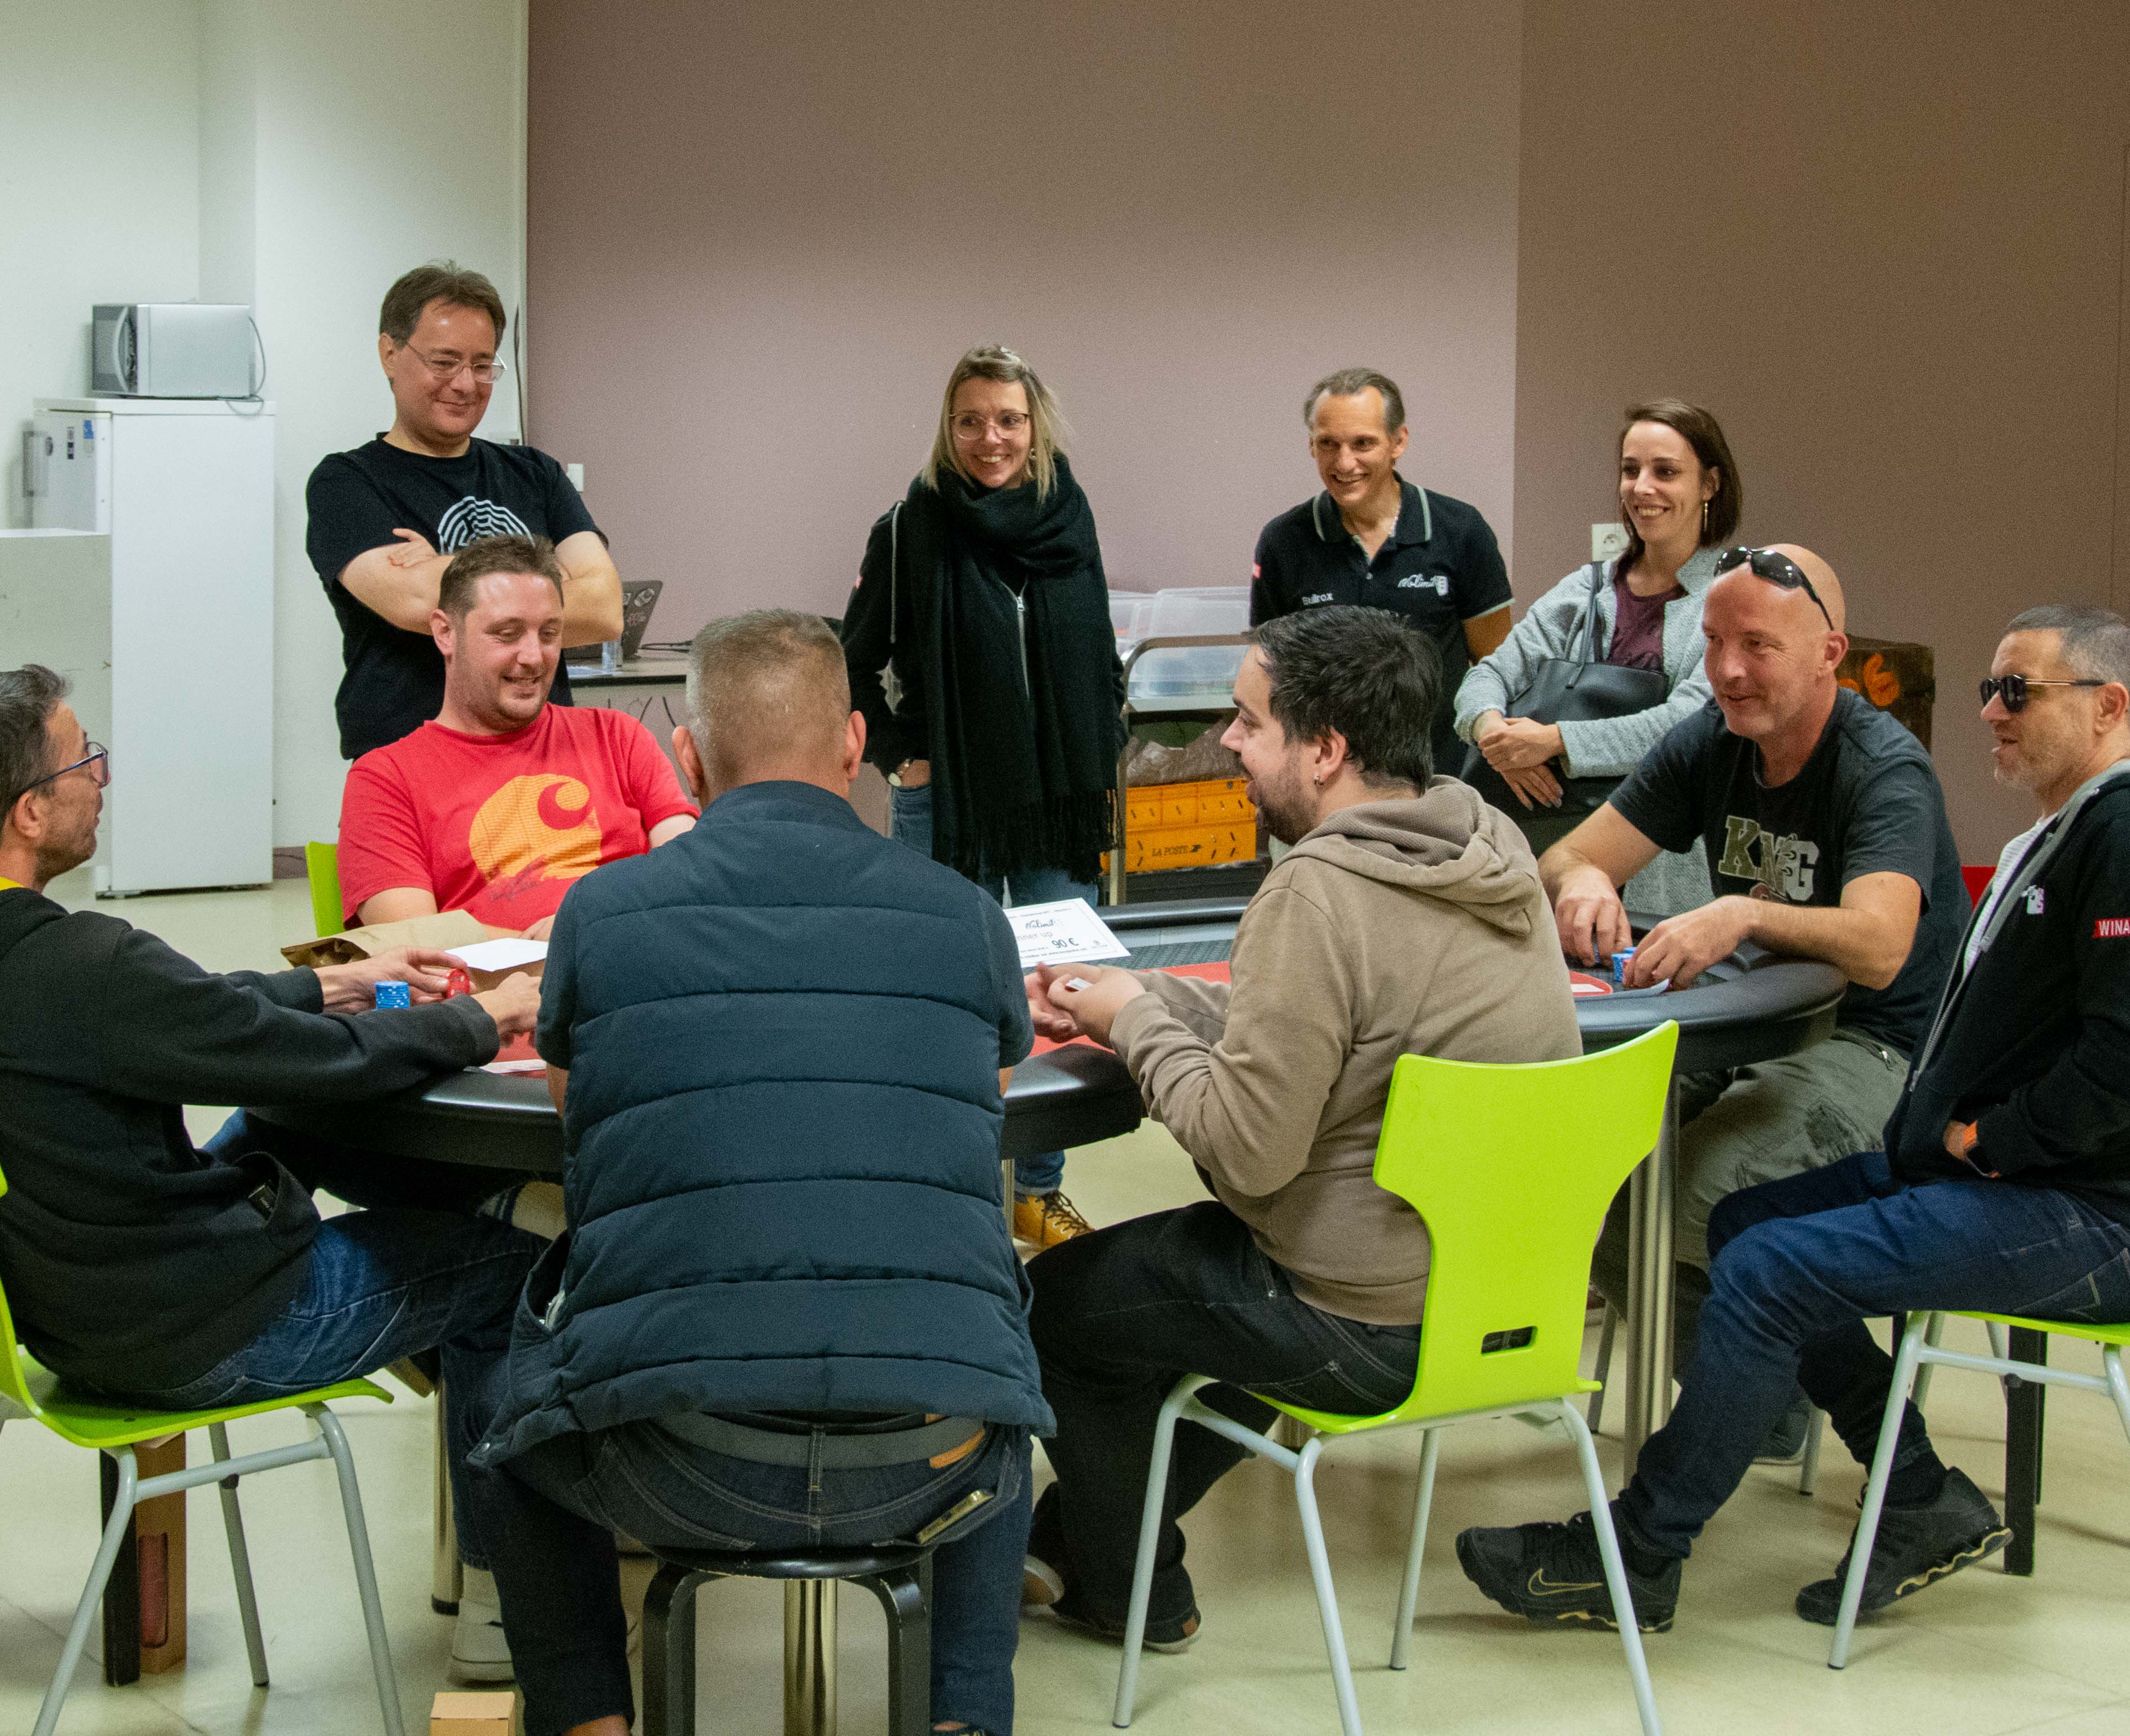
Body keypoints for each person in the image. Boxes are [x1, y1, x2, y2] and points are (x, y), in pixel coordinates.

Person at [1458, 605, 2130, 1632]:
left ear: (2108, 707)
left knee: (1771, 1269)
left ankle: (1636, 1557)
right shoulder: (2081, 826)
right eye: (1991, 689)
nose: (1990, 711)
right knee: (1744, 1224)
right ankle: (1917, 1497)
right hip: (2023, 1177)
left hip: (2098, 1214)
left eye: (2019, 692)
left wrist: (1994, 1141)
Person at [0, 666, 549, 1685]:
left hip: (60, 1302)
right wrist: (483, 1017)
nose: (103, 777)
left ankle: (453, 1259)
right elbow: (309, 1065)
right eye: (84, 760)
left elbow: (187, 1012)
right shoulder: (82, 965)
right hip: (191, 1332)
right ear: (30, 811)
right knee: (514, 1269)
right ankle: (501, 1604)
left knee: (270, 1131)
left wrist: (332, 982)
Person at [470, 610, 1050, 1736]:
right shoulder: (966, 916)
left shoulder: (603, 913)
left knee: (508, 1424)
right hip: (930, 1463)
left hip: (675, 1461)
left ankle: (591, 1719)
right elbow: (983, 1084)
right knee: (994, 1395)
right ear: (854, 743)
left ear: (688, 759)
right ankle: (964, 1718)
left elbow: (577, 1100)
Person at [1015, 606, 1579, 1652]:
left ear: (1325, 750)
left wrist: (1133, 1023)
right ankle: (1076, 1540)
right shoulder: (1487, 842)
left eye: (1248, 720)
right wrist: (1145, 998)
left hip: (1361, 1321)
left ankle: (1136, 1589)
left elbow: (1246, 1152)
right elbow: (1327, 1036)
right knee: (1194, 1289)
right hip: (1499, 1299)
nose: (1226, 741)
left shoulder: (1315, 894)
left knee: (1056, 1309)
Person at [1537, 541, 1968, 1448]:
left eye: (1758, 647)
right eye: (1714, 643)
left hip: (1877, 1048)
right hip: (1751, 1035)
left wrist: (1742, 914)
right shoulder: (1714, 738)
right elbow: (1569, 855)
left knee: (1686, 1202)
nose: (1727, 671)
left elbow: (1882, 946)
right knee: (1587, 1185)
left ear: (1828, 655)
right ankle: (1760, 1402)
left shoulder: (1881, 767)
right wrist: (1584, 882)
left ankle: (1790, 1394)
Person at [843, 344, 1123, 1249]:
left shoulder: (1070, 516)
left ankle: (1037, 1189)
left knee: (1063, 993)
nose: (990, 438)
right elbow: (853, 663)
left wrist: (1105, 736)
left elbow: (1096, 644)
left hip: (1053, 805)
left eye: (1008, 420)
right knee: (942, 996)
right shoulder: (909, 527)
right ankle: (942, 1189)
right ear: (948, 428)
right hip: (946, 807)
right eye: (970, 422)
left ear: (1035, 426)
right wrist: (899, 759)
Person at [307, 261, 625, 759]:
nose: (466, 384)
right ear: (390, 353)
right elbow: (414, 603)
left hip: (541, 758)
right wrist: (547, 574)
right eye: (444, 362)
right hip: (413, 763)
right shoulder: (347, 482)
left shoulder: (536, 473)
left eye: (482, 365)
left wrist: (441, 566)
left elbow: (605, 610)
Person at [1458, 398, 1739, 919]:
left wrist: (1555, 741)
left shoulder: (1731, 599)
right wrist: (1494, 736)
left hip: (1662, 868)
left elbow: (1690, 723)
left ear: (1710, 484)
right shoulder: (1585, 589)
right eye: (1631, 471)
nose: (1642, 488)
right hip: (1547, 857)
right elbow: (1489, 674)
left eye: (1666, 472)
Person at [337, 532, 695, 939]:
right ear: (445, 633)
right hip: (502, 980)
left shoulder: (618, 736)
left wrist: (587, 932)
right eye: (507, 634)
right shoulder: (384, 780)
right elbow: (413, 940)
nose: (533, 657)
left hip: (641, 965)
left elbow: (687, 871)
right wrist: (567, 941)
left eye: (549, 634)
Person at [1249, 367, 1513, 778]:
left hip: (1440, 779)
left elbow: (1495, 663)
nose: (1344, 462)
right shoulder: (1284, 541)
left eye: (1363, 443)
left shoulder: (1461, 530)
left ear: (1398, 442)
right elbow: (1269, 672)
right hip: (1325, 783)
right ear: (1311, 446)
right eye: (1328, 444)